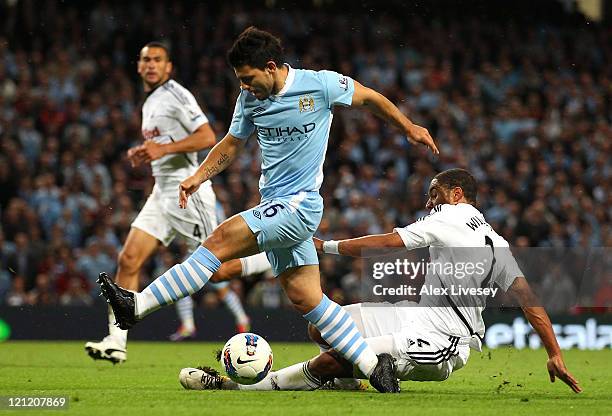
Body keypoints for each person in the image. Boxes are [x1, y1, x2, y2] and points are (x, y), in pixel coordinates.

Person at [98, 27, 438, 392]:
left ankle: (137, 306)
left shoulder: (320, 85)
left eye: (248, 79)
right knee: (307, 299)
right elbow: (231, 143)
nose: (244, 87)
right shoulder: (248, 100)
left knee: (219, 240)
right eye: (240, 81)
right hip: (273, 204)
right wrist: (199, 175)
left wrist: (408, 126)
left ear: (271, 66)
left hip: (299, 205)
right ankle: (376, 369)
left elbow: (370, 98)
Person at [178, 168, 581, 394]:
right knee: (323, 326)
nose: (428, 203)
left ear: (457, 194)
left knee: (337, 355)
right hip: (412, 318)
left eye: (434, 194)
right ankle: (352, 382)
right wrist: (554, 352)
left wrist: (327, 246)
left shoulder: (447, 218)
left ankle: (243, 390)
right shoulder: (499, 243)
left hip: (442, 343)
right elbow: (530, 301)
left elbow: (389, 243)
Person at [85, 41, 254, 363]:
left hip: (187, 192)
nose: (150, 64)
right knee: (129, 258)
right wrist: (148, 150)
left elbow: (207, 136)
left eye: (157, 60)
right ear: (138, 66)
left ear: (168, 67)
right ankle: (116, 341)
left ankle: (278, 256)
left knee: (219, 270)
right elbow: (165, 142)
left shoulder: (177, 94)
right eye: (145, 59)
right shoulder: (150, 102)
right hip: (161, 192)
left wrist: (163, 150)